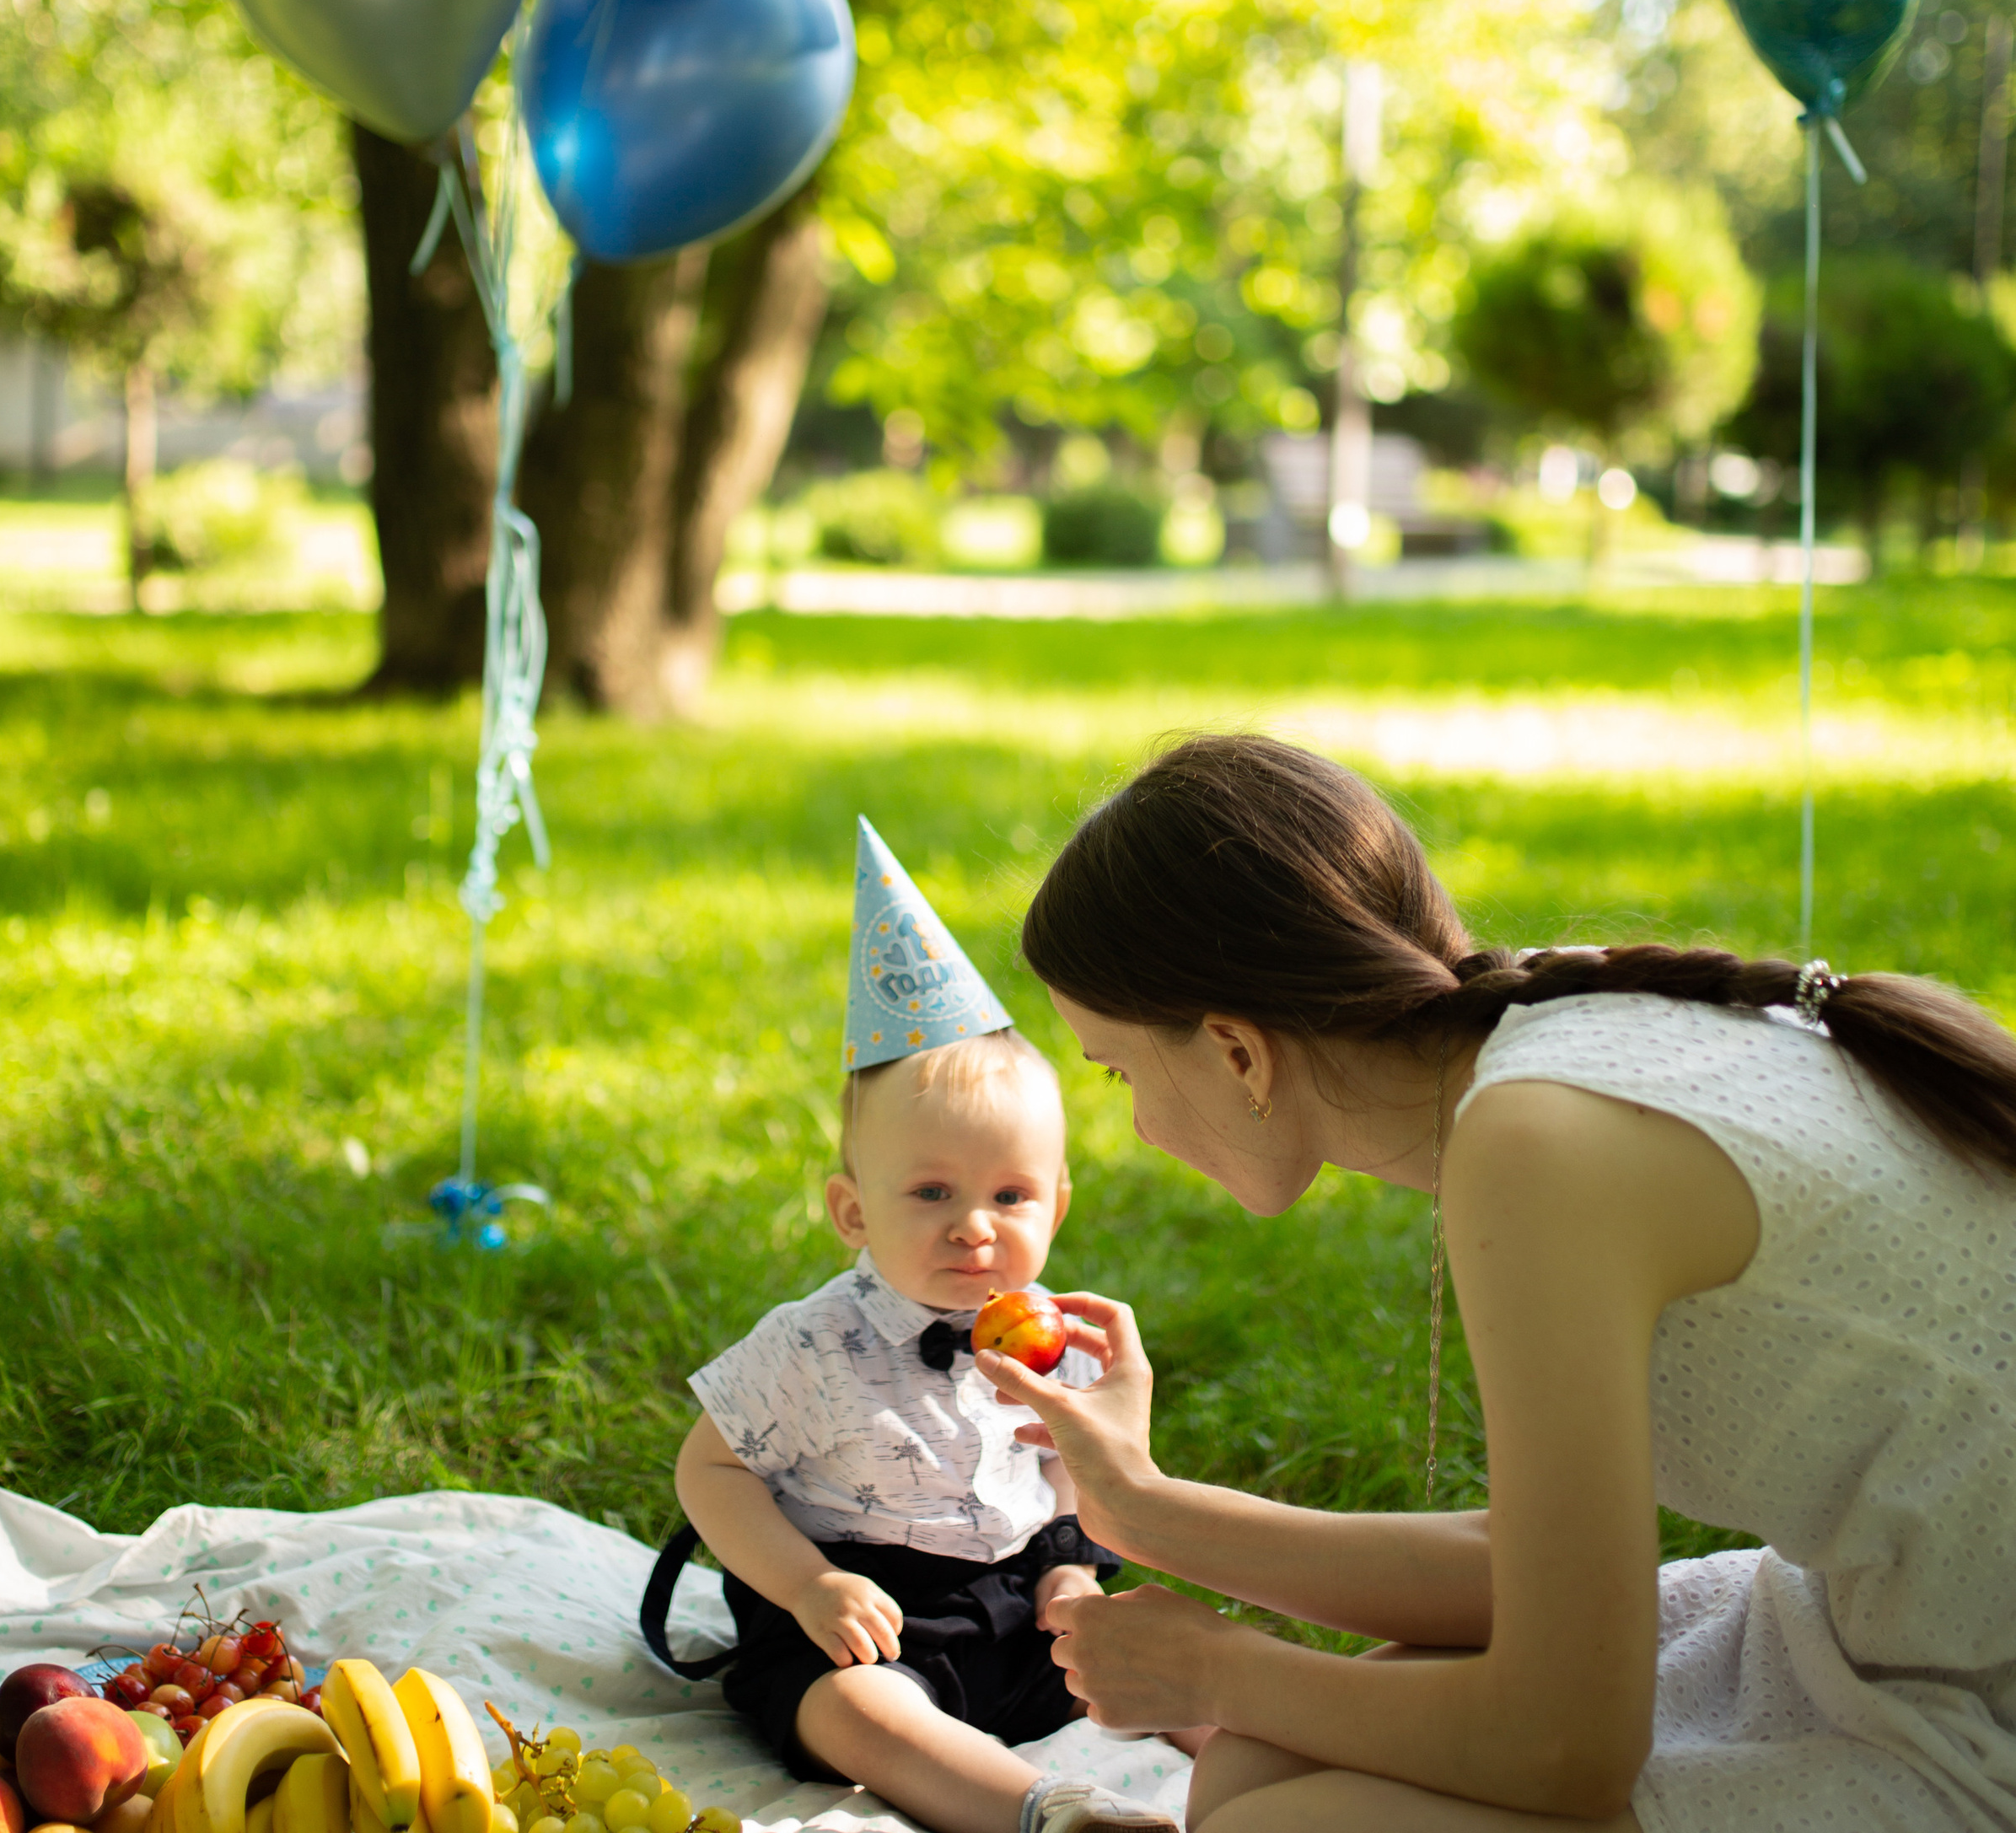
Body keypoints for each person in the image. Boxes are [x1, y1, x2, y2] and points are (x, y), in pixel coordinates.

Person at [970, 734, 2016, 1833]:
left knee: (1262, 1820)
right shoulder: (1556, 1049)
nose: (1137, 1122)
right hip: (1872, 1631)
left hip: (1970, 1716)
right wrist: (1136, 1508)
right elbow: (1525, 1568)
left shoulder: (1535, 1151)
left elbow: (1563, 1749)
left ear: (1237, 1051)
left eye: (1122, 1070)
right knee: (1249, 1778)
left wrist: (1219, 1672)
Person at [659, 820, 1185, 1833]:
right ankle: (1047, 1811)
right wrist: (810, 1586)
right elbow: (709, 1473)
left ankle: (1286, 1751)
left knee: (1155, 1646)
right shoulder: (810, 1341)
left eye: (1011, 1194)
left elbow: (1069, 1470)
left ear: (1057, 1205)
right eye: (933, 1191)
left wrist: (1072, 1567)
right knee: (857, 1713)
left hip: (1021, 1599)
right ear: (853, 1211)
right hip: (866, 1614)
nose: (975, 1226)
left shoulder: (1056, 1332)